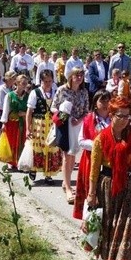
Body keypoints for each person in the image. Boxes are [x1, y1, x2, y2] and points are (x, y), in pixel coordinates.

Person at [86, 96, 131, 260]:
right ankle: (111, 257)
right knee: (110, 222)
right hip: (108, 186)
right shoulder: (101, 138)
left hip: (129, 185)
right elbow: (94, 169)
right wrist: (91, 193)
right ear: (111, 115)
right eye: (120, 116)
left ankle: (129, 258)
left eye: (127, 116)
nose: (125, 120)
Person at [51, 67, 89, 204]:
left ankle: (65, 181)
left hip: (77, 126)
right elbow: (53, 107)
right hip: (64, 125)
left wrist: (79, 120)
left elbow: (86, 110)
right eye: (76, 75)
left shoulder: (84, 91)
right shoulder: (62, 90)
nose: (79, 77)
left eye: (81, 75)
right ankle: (68, 187)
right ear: (71, 76)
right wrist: (64, 114)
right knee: (67, 155)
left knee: (73, 156)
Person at [73, 90, 111, 220]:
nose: (106, 104)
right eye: (102, 101)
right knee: (91, 189)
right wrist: (99, 145)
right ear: (95, 104)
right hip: (90, 160)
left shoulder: (114, 119)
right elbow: (81, 141)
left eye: (108, 100)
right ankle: (90, 220)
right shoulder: (88, 119)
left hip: (111, 161)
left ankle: (107, 219)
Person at [25, 69, 62, 183]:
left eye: (50, 81)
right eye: (45, 81)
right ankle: (34, 168)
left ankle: (48, 175)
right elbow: (29, 112)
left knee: (51, 147)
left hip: (51, 124)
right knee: (38, 147)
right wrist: (28, 128)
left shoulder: (56, 91)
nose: (48, 83)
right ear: (41, 81)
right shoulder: (35, 92)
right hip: (38, 124)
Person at [0, 75, 30, 170]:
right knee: (12, 141)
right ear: (16, 83)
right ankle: (11, 161)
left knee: (23, 141)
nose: (25, 85)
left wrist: (25, 114)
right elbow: (6, 110)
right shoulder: (10, 95)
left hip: (24, 122)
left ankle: (21, 162)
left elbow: (31, 110)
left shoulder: (28, 96)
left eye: (26, 83)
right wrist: (4, 123)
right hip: (12, 122)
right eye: (23, 83)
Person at [0, 71, 16, 151]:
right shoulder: (1, 89)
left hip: (9, 112)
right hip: (1, 111)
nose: (14, 80)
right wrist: (7, 110)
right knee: (0, 129)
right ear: (8, 79)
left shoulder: (12, 88)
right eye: (13, 78)